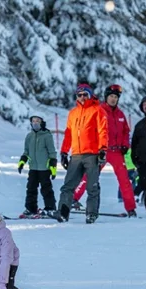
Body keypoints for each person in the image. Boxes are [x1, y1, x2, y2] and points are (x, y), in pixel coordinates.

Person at [70, 84, 137, 217]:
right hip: (101, 151)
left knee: (125, 181)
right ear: (106, 97)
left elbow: (126, 131)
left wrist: (125, 145)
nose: (113, 99)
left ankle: (130, 208)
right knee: (89, 176)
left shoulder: (120, 114)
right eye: (111, 96)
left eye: (115, 97)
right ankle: (73, 199)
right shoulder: (99, 110)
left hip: (117, 152)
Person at [56, 83, 109, 224]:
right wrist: (63, 152)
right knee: (68, 186)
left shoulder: (97, 110)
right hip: (76, 155)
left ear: (90, 95)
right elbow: (68, 134)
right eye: (79, 95)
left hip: (92, 155)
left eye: (85, 94)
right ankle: (63, 212)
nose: (82, 97)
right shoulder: (73, 113)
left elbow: (102, 131)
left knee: (92, 186)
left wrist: (103, 149)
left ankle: (91, 214)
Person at [18, 115, 57, 216]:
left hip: (44, 168)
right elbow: (26, 151)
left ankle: (50, 208)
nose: (35, 123)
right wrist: (22, 161)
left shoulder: (47, 136)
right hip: (33, 168)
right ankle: (31, 208)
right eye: (33, 121)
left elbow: (52, 152)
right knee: (31, 188)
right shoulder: (29, 136)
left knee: (46, 188)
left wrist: (53, 165)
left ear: (42, 122)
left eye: (38, 121)